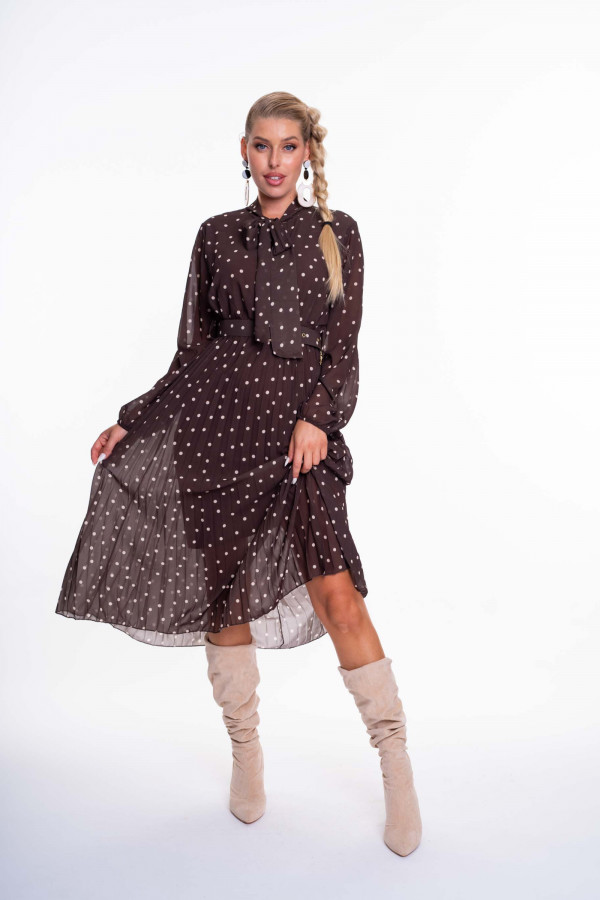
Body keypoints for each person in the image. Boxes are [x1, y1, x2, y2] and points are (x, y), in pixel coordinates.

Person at [55, 91, 422, 856]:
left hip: (298, 445)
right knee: (223, 599)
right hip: (215, 435)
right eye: (262, 145)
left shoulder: (337, 234)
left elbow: (342, 345)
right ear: (245, 151)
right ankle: (246, 754)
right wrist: (135, 418)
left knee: (337, 595)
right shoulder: (216, 235)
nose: (274, 161)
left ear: (307, 153)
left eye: (288, 146)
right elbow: (192, 350)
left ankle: (395, 765)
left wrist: (318, 417)